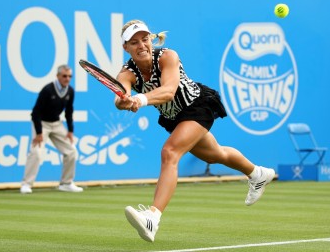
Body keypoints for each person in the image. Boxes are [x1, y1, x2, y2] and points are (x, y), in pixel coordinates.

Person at [116, 20, 275, 242]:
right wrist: (123, 101)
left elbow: (169, 91)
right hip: (174, 117)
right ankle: (258, 174)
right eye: (134, 42)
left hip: (197, 106)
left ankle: (153, 217)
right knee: (215, 154)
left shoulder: (167, 56)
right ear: (126, 48)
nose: (141, 45)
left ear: (151, 40)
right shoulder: (126, 73)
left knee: (170, 152)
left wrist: (139, 99)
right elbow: (121, 93)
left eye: (144, 39)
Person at [20, 65, 83, 194]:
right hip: (41, 123)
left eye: (70, 76)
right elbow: (35, 112)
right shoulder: (48, 90)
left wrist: (70, 130)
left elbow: (69, 112)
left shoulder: (70, 91)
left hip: (56, 124)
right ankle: (26, 184)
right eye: (64, 76)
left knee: (71, 151)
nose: (67, 79)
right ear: (58, 76)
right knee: (36, 153)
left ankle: (66, 183)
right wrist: (38, 133)